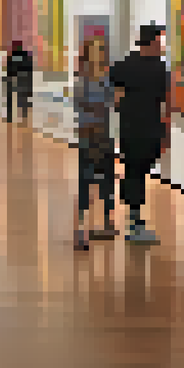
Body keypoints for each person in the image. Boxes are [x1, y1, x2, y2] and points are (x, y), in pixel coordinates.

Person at [109, 23, 171, 245]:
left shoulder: (123, 65)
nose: (161, 45)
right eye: (160, 41)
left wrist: (122, 105)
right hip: (147, 127)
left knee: (135, 169)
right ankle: (134, 221)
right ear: (153, 42)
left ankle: (133, 218)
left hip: (130, 127)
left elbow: (114, 93)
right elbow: (166, 101)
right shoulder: (159, 68)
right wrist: (166, 131)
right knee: (138, 170)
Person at [72, 33, 118, 251]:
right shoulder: (83, 78)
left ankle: (108, 221)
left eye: (102, 49)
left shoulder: (107, 77)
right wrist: (101, 105)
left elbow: (111, 102)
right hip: (88, 135)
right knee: (85, 179)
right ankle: (81, 226)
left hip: (104, 135)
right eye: (95, 49)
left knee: (107, 179)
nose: (99, 53)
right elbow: (80, 104)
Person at [5, 40, 34, 126]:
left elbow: (10, 66)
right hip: (22, 77)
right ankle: (21, 115)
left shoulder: (15, 55)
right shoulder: (23, 55)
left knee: (17, 96)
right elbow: (29, 67)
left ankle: (13, 115)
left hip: (19, 77)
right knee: (21, 97)